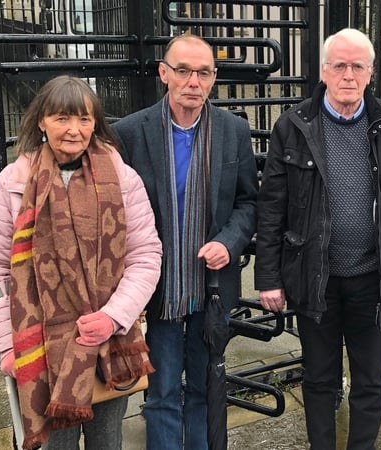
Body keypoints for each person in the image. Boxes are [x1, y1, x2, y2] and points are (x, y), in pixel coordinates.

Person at [254, 27, 381, 449]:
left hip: (375, 276)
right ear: (323, 71)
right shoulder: (293, 126)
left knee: (369, 380)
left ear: (371, 72)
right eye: (339, 65)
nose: (348, 74)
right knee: (318, 379)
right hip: (315, 277)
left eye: (357, 66)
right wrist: (268, 277)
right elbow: (271, 207)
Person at [0, 75, 162, 449]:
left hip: (110, 343)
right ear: (41, 121)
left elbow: (145, 255)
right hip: (40, 351)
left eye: (84, 119)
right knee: (55, 446)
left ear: (95, 123)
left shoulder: (122, 178)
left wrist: (113, 316)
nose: (74, 130)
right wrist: (8, 346)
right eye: (61, 118)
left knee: (107, 440)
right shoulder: (13, 183)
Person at [112, 34, 258, 449]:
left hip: (210, 288)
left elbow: (249, 202)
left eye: (203, 72)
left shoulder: (233, 131)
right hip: (156, 287)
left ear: (213, 79)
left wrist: (229, 242)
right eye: (183, 70)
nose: (193, 81)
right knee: (159, 395)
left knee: (204, 388)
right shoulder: (130, 133)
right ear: (164, 73)